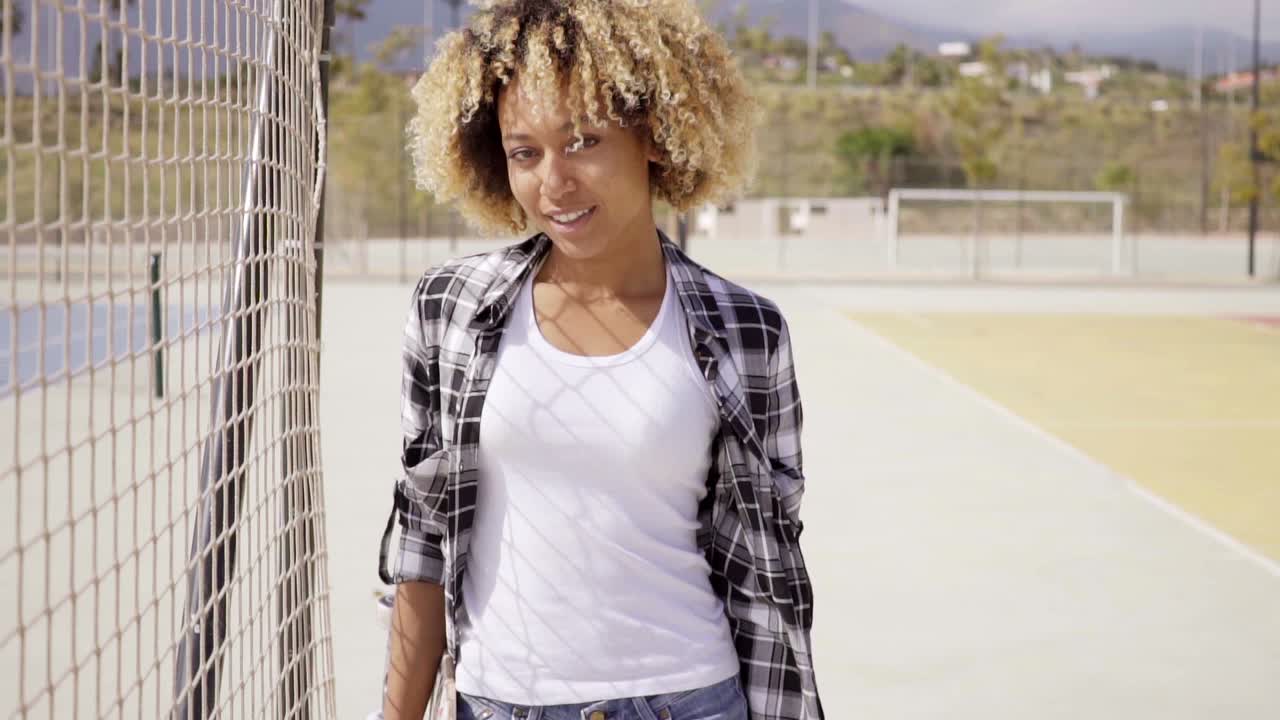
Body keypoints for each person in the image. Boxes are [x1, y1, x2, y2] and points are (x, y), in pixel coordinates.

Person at [379, 1, 823, 718]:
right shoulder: (450, 310)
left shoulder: (747, 332)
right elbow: (422, 544)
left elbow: (767, 570)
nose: (554, 183)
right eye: (525, 152)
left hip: (688, 700)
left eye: (582, 140)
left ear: (655, 134)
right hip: (497, 703)